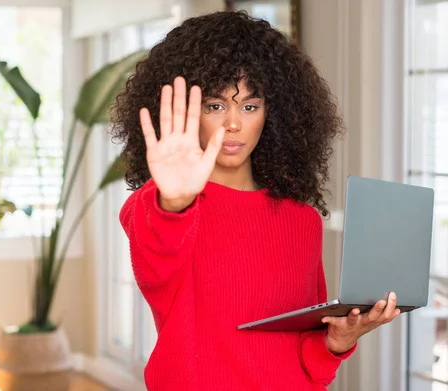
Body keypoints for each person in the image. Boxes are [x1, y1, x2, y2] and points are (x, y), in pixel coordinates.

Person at [109, 11, 400, 391]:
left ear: (273, 113)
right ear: (191, 113)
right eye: (215, 105)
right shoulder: (164, 205)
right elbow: (155, 265)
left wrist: (336, 341)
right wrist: (174, 202)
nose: (233, 123)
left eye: (249, 106)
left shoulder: (302, 219)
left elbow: (305, 357)